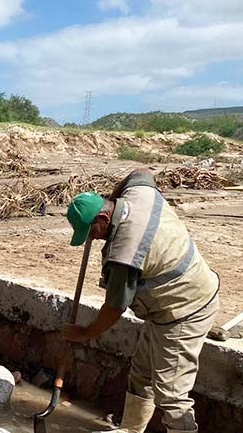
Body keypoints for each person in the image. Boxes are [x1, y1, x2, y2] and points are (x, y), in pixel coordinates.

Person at [63, 169, 219, 433]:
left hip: (184, 309)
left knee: (171, 393)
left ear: (103, 216)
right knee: (141, 375)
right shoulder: (139, 193)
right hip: (167, 306)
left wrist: (84, 333)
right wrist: (115, 196)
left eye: (91, 232)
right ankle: (131, 430)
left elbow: (114, 308)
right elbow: (141, 172)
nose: (91, 238)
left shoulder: (124, 253)